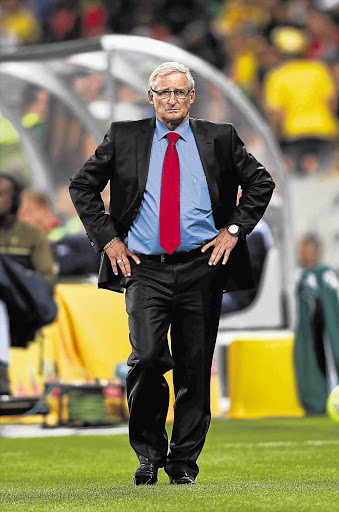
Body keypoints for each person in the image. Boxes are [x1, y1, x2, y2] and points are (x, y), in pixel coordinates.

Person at [69, 61, 275, 486]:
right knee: (146, 359)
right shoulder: (125, 137)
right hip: (145, 268)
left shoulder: (220, 138)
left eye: (180, 92)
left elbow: (260, 182)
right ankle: (148, 455)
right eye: (164, 92)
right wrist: (109, 240)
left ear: (192, 97)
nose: (172, 99)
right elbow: (82, 185)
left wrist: (233, 230)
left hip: (203, 266)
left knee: (194, 368)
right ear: (151, 97)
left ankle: (183, 463)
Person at [0, 174, 56, 395]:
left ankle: (2, 372)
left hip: (24, 304)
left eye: (3, 194)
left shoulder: (31, 235)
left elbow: (46, 279)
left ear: (15, 199)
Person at [264, 27, 338, 174]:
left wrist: (274, 143)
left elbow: (276, 114)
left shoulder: (277, 76)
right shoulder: (319, 70)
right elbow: (332, 104)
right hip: (324, 134)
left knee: (301, 186)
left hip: (294, 137)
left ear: (279, 51)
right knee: (326, 181)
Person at [294, 234, 339, 415]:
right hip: (311, 334)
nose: (302, 255)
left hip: (321, 333)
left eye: (305, 250)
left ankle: (328, 398)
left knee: (327, 365)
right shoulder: (309, 275)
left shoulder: (320, 274)